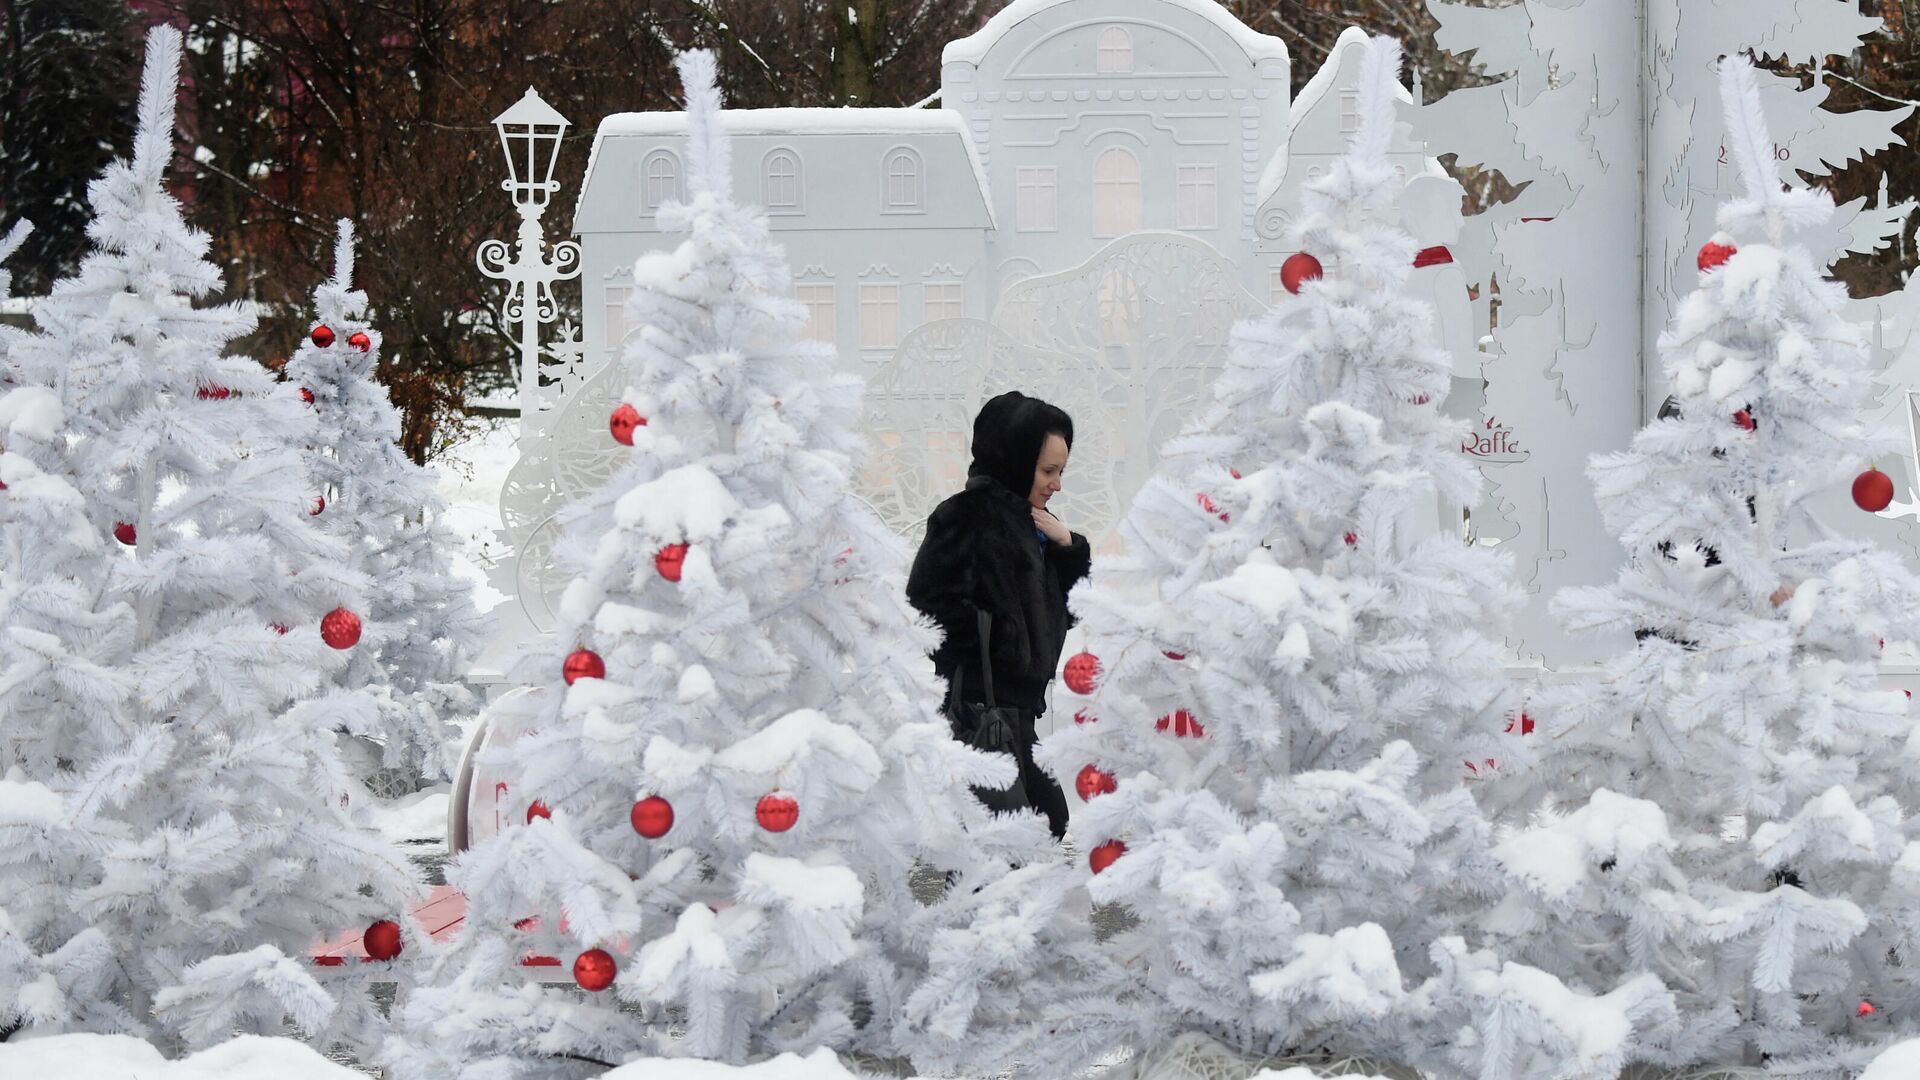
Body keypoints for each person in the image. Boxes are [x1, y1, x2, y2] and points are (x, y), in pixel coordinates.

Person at [907, 391, 1089, 840]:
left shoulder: (1036, 526)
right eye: (1048, 470)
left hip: (1017, 713)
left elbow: (1071, 612)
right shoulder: (964, 517)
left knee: (1037, 827)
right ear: (1013, 459)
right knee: (1013, 836)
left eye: (1061, 471)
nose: (1057, 483)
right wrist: (1005, 637)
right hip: (977, 712)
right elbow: (926, 602)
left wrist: (1069, 550)